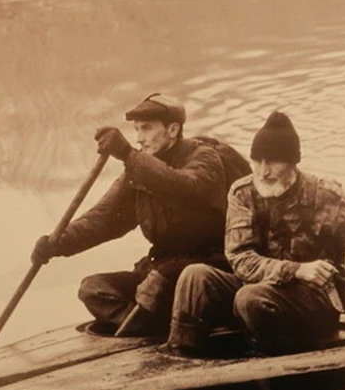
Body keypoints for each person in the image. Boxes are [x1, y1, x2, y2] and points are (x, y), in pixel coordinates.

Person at [167, 110, 345, 356]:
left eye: (273, 162)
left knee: (249, 299)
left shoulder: (327, 197)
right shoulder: (242, 193)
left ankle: (267, 362)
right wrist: (297, 270)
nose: (263, 172)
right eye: (257, 161)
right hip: (262, 291)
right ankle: (181, 356)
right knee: (195, 276)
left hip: (315, 302)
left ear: (293, 164)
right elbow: (240, 259)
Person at [31, 93, 229, 336]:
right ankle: (147, 327)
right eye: (136, 130)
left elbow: (183, 187)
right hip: (159, 267)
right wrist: (56, 242)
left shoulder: (204, 157)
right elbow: (102, 220)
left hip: (206, 268)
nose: (139, 138)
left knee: (157, 284)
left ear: (173, 129)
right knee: (93, 289)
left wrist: (127, 154)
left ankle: (147, 323)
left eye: (146, 128)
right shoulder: (138, 169)